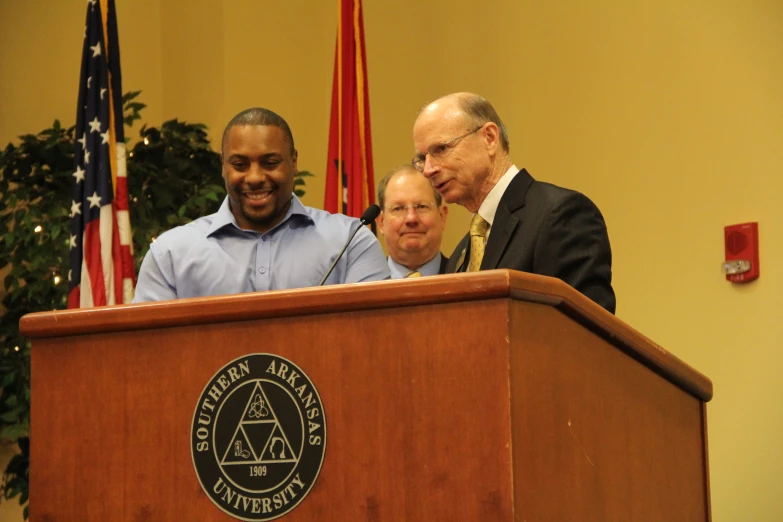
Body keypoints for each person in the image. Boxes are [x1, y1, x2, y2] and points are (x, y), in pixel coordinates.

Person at [133, 107, 389, 302]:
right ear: (223, 166)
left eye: (270, 163)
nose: (254, 178)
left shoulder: (351, 243)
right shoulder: (170, 255)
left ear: (294, 161)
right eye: (239, 165)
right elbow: (148, 355)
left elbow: (372, 343)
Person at [412, 93, 616, 313]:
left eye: (441, 149)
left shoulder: (560, 215)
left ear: (489, 138)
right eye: (422, 159)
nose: (429, 170)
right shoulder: (460, 255)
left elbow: (584, 334)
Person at [377, 165, 449, 278]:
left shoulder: (467, 278)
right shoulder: (360, 289)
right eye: (398, 209)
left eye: (421, 207)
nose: (411, 218)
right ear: (381, 223)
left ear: (442, 217)